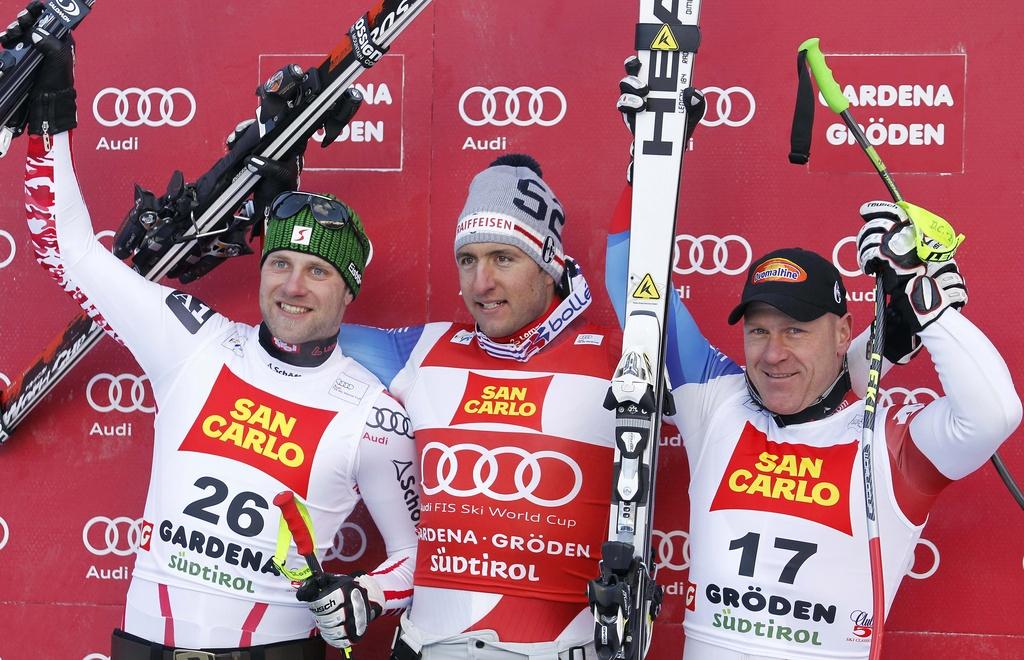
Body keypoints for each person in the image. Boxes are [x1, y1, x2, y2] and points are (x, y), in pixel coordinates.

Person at [21, 32, 419, 658]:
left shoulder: (373, 414)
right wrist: (52, 113)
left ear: (349, 293)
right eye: (279, 263)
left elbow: (417, 558)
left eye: (318, 272)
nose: (293, 286)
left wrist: (364, 596)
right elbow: (64, 250)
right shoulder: (196, 343)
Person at [610, 72, 1023, 659]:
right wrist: (650, 158)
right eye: (758, 331)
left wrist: (923, 298)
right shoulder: (716, 403)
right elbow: (634, 286)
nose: (772, 353)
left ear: (842, 334)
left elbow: (994, 413)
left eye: (796, 331)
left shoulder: (889, 450)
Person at [338, 153, 619, 659]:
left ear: (551, 265)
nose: (480, 283)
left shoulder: (617, 358)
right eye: (467, 260)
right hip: (424, 647)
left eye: (503, 258)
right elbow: (300, 327)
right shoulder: (422, 350)